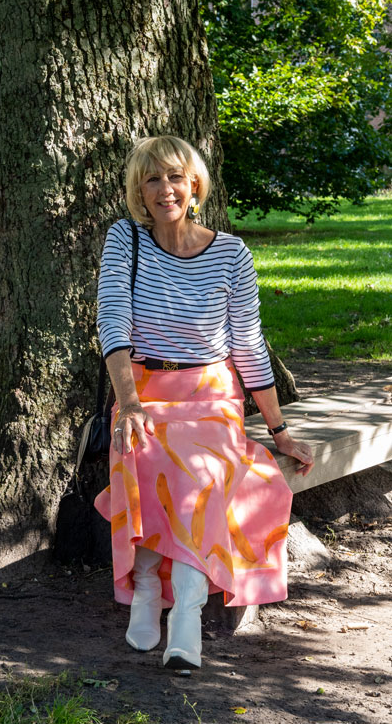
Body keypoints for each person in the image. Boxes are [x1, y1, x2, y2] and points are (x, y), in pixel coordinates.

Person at [94, 135, 314, 673]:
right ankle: (146, 591)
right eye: (152, 179)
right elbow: (113, 323)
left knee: (203, 473)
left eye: (175, 177)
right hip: (144, 392)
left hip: (212, 397)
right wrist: (130, 404)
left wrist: (278, 429)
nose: (164, 189)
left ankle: (187, 614)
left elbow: (247, 345)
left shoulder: (231, 253)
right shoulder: (126, 239)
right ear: (138, 191)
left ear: (195, 185)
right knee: (141, 457)